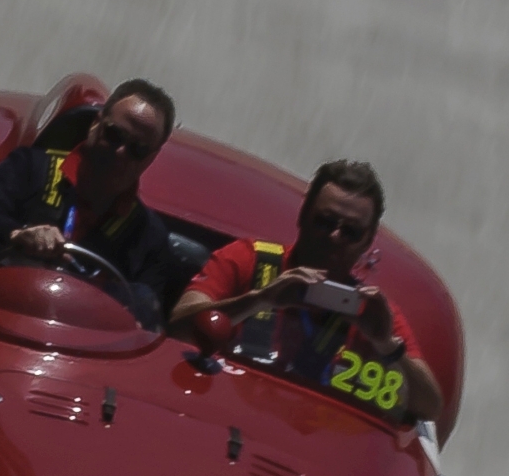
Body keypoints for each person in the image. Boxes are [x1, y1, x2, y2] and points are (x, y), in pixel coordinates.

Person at [169, 158, 444, 422]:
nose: (334, 237)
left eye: (350, 232)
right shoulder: (248, 260)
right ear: (303, 215)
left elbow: (429, 408)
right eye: (324, 222)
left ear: (367, 242)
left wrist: (386, 346)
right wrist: (259, 301)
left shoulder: (371, 312)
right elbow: (175, 327)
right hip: (220, 413)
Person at [0, 80, 177, 321]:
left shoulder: (149, 238)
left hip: (80, 346)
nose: (120, 152)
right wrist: (17, 235)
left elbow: (145, 324)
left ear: (151, 158)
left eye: (138, 150)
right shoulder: (28, 169)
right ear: (96, 124)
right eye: (114, 135)